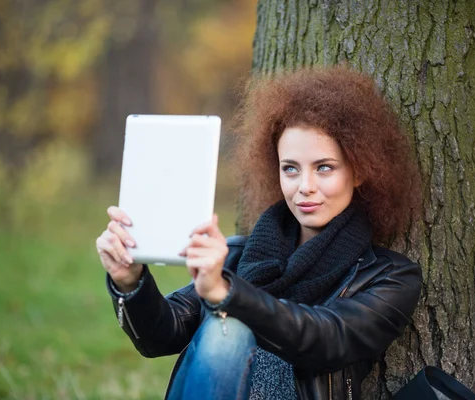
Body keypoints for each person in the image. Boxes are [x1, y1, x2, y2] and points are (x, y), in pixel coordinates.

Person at [95, 66, 423, 400]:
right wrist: (129, 281)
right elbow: (161, 336)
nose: (305, 187)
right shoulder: (239, 255)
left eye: (324, 167)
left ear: (359, 172)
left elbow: (327, 341)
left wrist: (229, 296)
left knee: (230, 328)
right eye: (290, 168)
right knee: (225, 330)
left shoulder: (389, 277)